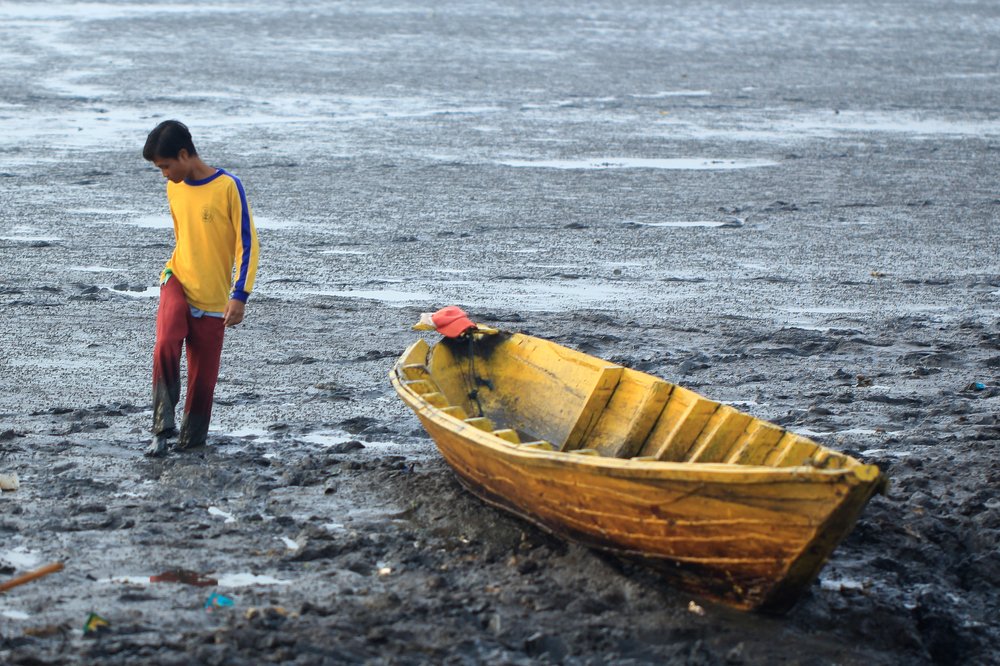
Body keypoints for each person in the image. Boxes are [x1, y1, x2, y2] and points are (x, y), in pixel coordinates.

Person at [141, 120, 260, 457]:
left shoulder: (228, 187)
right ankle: (162, 429)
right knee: (166, 339)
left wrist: (240, 295)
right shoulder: (174, 187)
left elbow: (248, 245)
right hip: (177, 278)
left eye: (165, 166)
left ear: (183, 155)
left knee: (203, 382)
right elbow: (183, 238)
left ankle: (191, 441)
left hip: (214, 298)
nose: (163, 174)